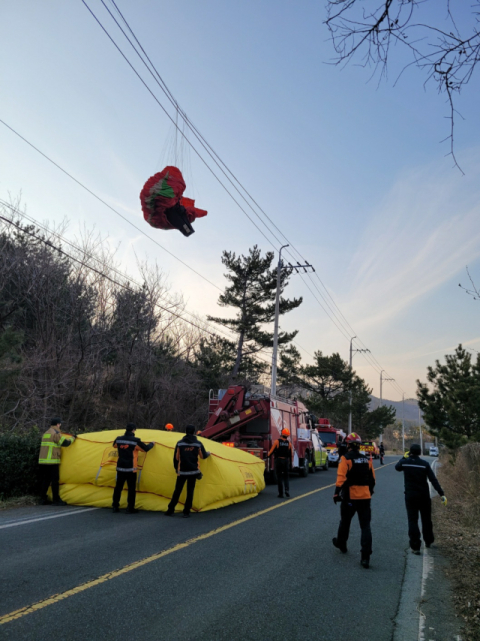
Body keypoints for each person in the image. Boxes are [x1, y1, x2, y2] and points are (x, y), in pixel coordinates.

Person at [332, 432, 376, 569]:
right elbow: (372, 479)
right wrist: (370, 492)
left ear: (348, 444)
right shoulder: (366, 460)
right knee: (365, 526)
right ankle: (365, 557)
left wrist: (336, 494)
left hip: (350, 497)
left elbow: (341, 478)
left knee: (345, 521)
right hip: (365, 497)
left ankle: (342, 544)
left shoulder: (346, 459)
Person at [395, 443, 446, 554]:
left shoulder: (405, 462)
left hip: (410, 495)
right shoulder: (424, 464)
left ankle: (415, 546)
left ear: (410, 452)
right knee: (426, 519)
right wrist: (441, 493)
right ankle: (428, 541)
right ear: (420, 452)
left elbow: (397, 467)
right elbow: (433, 480)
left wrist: (404, 457)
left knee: (412, 520)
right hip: (424, 496)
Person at [166, 425, 210, 517]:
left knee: (177, 491)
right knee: (190, 491)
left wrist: (176, 469)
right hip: (193, 471)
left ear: (185, 432)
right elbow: (203, 456)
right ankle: (186, 512)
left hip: (182, 471)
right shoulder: (198, 444)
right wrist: (208, 453)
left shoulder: (180, 443)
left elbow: (176, 458)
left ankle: (170, 510)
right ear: (194, 432)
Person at [112, 423, 154, 514]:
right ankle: (130, 508)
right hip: (131, 469)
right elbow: (145, 449)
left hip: (120, 467)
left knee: (118, 487)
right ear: (134, 430)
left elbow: (114, 445)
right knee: (131, 489)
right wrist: (152, 444)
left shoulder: (118, 439)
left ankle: (115, 506)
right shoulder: (135, 441)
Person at [38, 418, 76, 505]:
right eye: (60, 424)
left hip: (43, 461)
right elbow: (66, 443)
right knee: (55, 480)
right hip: (52, 461)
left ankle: (42, 498)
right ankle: (56, 500)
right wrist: (73, 438)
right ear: (58, 424)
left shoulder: (46, 433)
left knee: (46, 480)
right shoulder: (56, 433)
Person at [268, 428, 293, 498]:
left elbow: (271, 451)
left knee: (279, 477)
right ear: (288, 435)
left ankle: (281, 493)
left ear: (281, 434)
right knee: (286, 477)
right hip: (285, 461)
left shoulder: (277, 442)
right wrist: (290, 464)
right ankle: (287, 490)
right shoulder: (289, 443)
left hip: (278, 460)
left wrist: (268, 456)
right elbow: (291, 455)